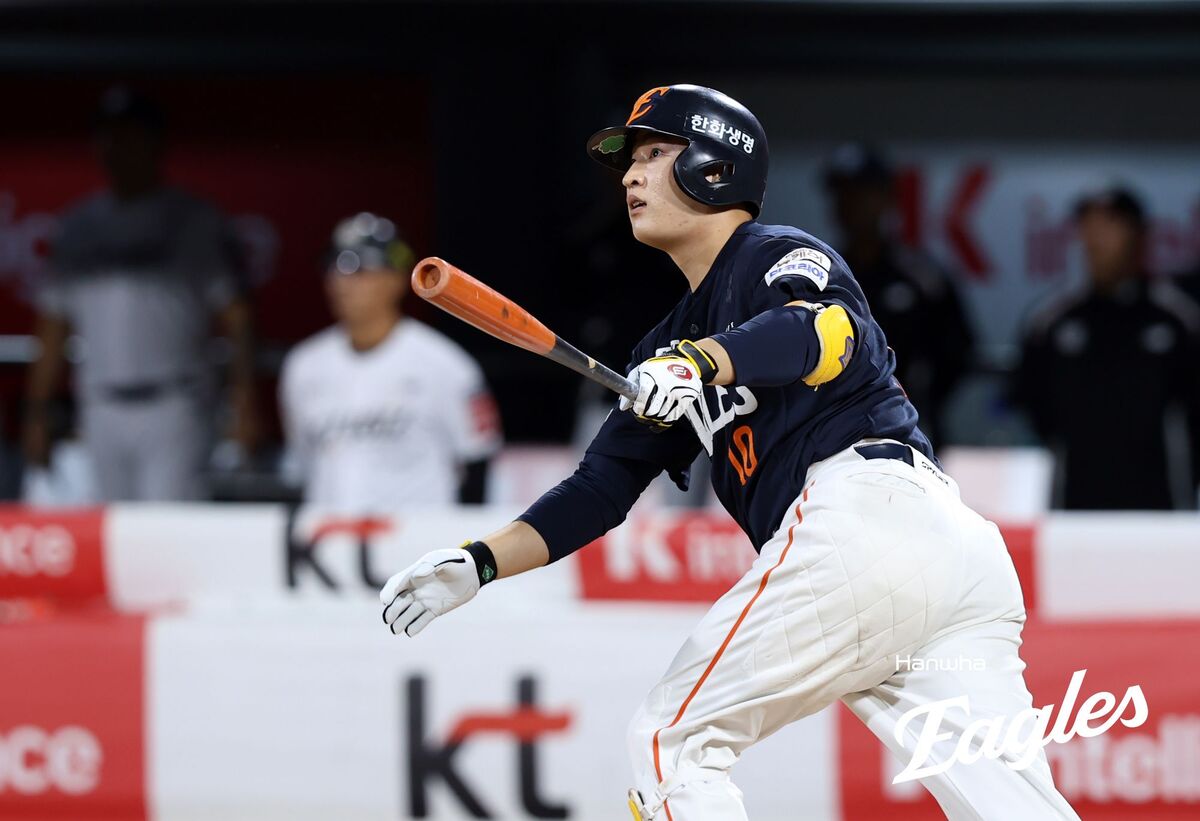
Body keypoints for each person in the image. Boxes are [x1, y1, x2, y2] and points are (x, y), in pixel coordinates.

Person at [379, 85, 1079, 820]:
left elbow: (825, 333)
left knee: (671, 741)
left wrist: (699, 364)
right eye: (630, 161)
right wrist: (481, 561)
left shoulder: (771, 254)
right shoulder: (663, 345)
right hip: (940, 560)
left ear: (714, 167)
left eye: (654, 153)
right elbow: (599, 488)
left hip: (869, 517)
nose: (630, 174)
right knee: (1013, 806)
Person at [22, 86, 259, 501]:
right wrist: (37, 411)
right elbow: (53, 324)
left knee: (169, 529)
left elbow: (236, 316)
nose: (117, 146)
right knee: (107, 527)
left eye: (130, 134)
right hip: (99, 402)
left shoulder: (195, 219)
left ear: (154, 142)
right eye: (108, 135)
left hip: (175, 402)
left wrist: (244, 397)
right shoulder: (77, 225)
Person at [279, 212, 501, 510]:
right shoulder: (303, 366)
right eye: (334, 265)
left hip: (419, 534)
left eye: (359, 268)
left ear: (397, 278)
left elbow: (477, 459)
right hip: (327, 533)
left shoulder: (445, 364)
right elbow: (301, 468)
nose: (342, 281)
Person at [1015, 186, 1200, 510]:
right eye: (1088, 226)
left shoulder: (1178, 320)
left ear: (1138, 234)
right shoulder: (1053, 321)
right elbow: (1033, 404)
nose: (1096, 238)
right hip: (1075, 503)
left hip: (1162, 506)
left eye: (1110, 225)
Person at [823, 143, 975, 445]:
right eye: (842, 193)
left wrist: (922, 402)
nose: (849, 203)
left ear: (886, 198)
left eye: (861, 192)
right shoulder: (820, 275)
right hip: (831, 437)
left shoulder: (922, 278)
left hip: (909, 434)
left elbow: (959, 352)